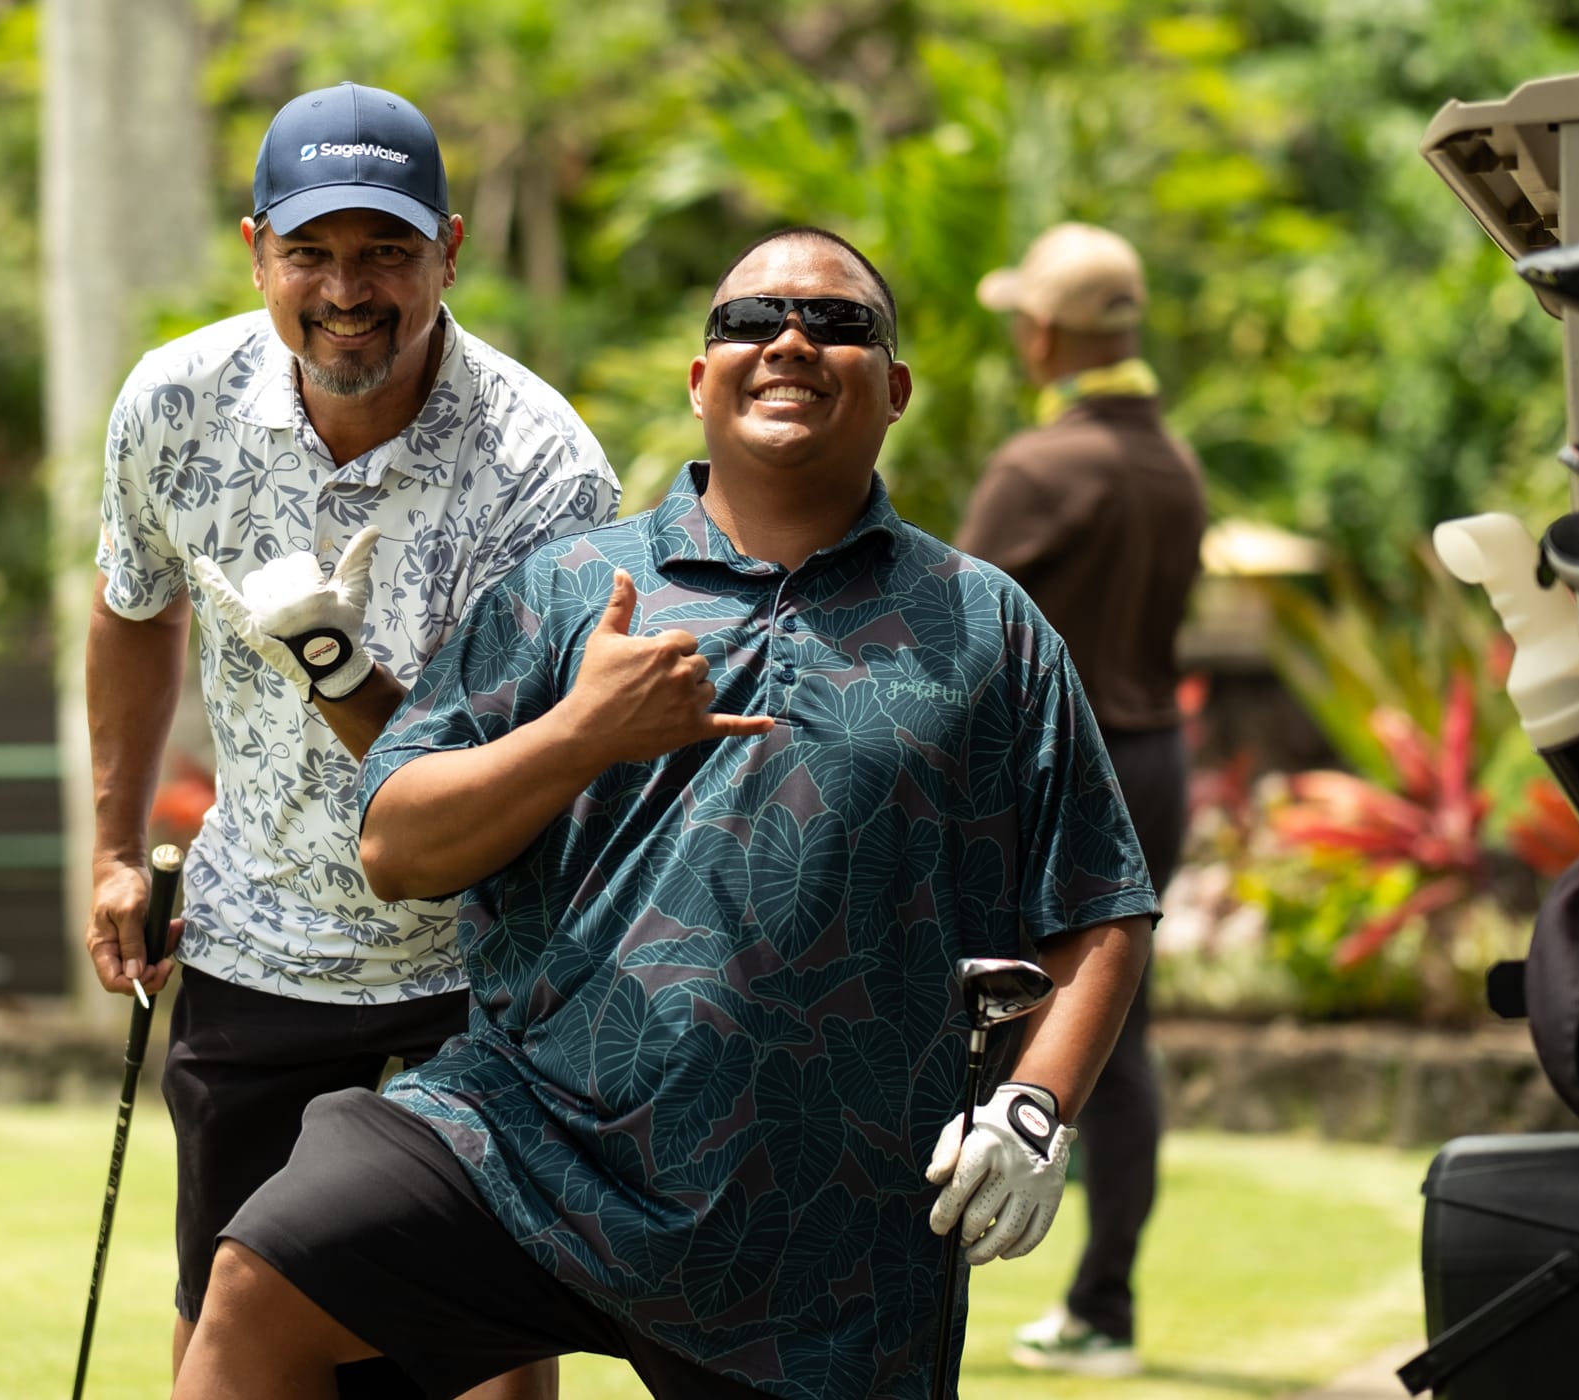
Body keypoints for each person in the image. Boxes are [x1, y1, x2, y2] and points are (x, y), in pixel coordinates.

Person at [169, 226, 1157, 1400]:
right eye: (751, 320)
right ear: (701, 380)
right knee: (262, 1275)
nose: (791, 340)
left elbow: (1101, 905)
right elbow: (397, 844)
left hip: (827, 1229)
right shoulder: (568, 589)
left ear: (894, 390)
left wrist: (1035, 1109)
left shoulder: (986, 626)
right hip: (528, 1138)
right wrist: (581, 732)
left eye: (838, 323)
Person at [87, 81, 619, 1390]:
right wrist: (112, 847)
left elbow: (495, 775)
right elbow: (133, 607)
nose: (346, 288)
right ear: (255, 248)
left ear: (448, 250)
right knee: (223, 1311)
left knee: (482, 1341)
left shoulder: (544, 468)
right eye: (311, 250)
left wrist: (336, 667)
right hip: (255, 941)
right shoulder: (174, 404)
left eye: (386, 250)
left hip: (477, 967)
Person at [959, 221, 1208, 1379]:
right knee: (1120, 1031)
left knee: (966, 1009)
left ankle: (901, 1277)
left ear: (1043, 333)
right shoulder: (1174, 466)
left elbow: (945, 629)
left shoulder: (1043, 467)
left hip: (1055, 770)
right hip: (1155, 760)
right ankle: (1105, 1306)